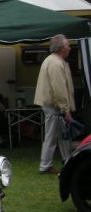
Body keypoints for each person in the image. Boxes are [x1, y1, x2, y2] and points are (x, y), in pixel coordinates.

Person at [34, 34, 75, 175]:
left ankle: (67, 160)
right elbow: (59, 88)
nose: (69, 48)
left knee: (62, 135)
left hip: (54, 105)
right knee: (52, 136)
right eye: (67, 45)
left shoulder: (54, 61)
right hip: (54, 105)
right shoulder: (56, 63)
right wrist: (65, 108)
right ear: (61, 48)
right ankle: (45, 166)